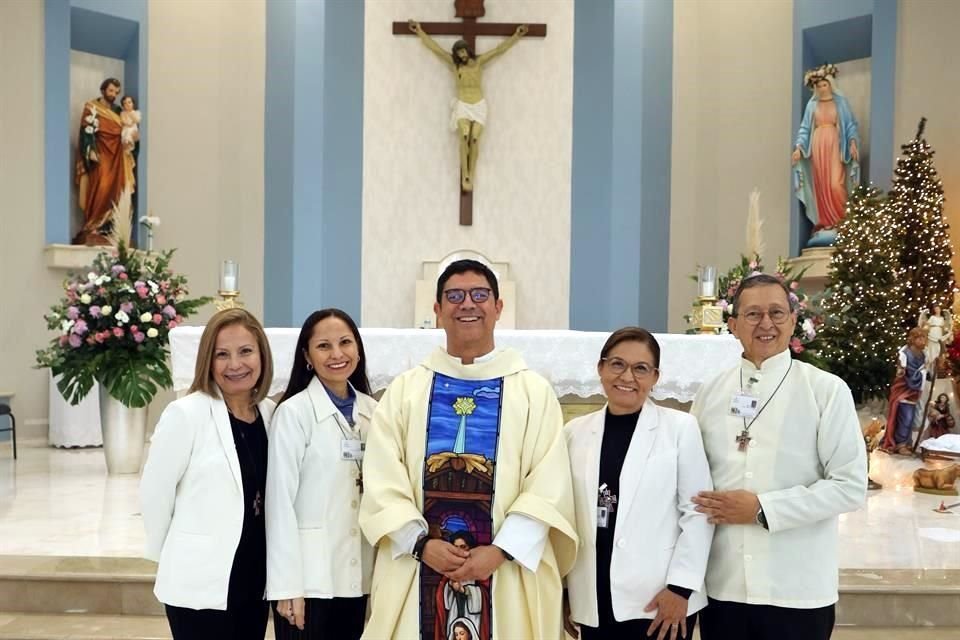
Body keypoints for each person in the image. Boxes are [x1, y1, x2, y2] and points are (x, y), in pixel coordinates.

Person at [358, 258, 578, 640]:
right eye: (454, 296)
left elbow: (548, 486)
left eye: (479, 295)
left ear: (498, 307)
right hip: (420, 565)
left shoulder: (531, 392)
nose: (467, 304)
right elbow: (381, 478)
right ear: (438, 310)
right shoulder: (407, 390)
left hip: (504, 570)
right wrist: (423, 544)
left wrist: (499, 552)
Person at [690, 273, 866, 640]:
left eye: (776, 313)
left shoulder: (826, 391)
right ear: (734, 325)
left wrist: (762, 509)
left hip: (796, 587)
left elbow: (849, 487)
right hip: (725, 586)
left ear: (793, 321)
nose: (766, 323)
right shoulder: (710, 392)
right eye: (753, 314)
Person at [564, 327, 713, 640]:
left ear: (655, 376)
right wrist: (567, 590)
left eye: (640, 368)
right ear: (601, 368)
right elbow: (567, 515)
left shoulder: (679, 429)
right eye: (617, 364)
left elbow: (698, 512)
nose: (627, 377)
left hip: (658, 600)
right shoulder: (574, 432)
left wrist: (681, 589)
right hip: (593, 593)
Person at [140, 308, 276, 639]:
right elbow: (154, 495)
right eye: (222, 355)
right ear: (207, 361)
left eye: (245, 351)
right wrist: (179, 557)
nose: (235, 365)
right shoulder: (186, 413)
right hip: (199, 583)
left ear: (262, 355)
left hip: (254, 577)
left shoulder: (271, 413)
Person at [265, 308, 377, 639]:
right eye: (324, 346)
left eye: (345, 342)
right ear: (307, 357)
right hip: (308, 579)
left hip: (357, 573)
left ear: (358, 348)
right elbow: (279, 503)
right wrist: (287, 585)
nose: (337, 354)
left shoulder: (374, 412)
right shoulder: (293, 414)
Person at [407, 20, 528, 192]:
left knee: (475, 139)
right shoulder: (455, 64)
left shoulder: (479, 62)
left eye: (463, 51)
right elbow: (435, 49)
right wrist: (419, 31)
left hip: (478, 104)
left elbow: (499, 50)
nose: (462, 55)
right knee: (464, 137)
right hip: (463, 104)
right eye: (458, 52)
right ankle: (465, 175)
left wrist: (517, 35)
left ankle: (472, 174)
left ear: (467, 50)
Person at [792, 63, 860, 236]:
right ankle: (825, 223)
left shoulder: (840, 102)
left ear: (830, 84)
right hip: (817, 145)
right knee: (821, 186)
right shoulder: (812, 105)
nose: (822, 88)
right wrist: (799, 147)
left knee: (835, 184)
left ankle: (842, 221)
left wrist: (852, 142)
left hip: (834, 145)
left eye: (824, 84)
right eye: (818, 85)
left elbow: (850, 124)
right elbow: (805, 128)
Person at [74, 77, 134, 245]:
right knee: (101, 185)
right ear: (103, 90)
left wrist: (131, 138)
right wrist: (90, 150)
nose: (113, 95)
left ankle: (110, 228)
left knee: (118, 189)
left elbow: (127, 130)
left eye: (116, 92)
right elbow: (85, 132)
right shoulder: (91, 107)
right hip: (100, 156)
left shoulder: (118, 111)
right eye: (111, 91)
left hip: (117, 156)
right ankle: (93, 224)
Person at [882, 327, 928, 455]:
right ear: (913, 339)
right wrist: (922, 373)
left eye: (924, 338)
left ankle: (906, 442)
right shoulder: (905, 353)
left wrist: (926, 372)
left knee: (911, 417)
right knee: (905, 417)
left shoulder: (923, 354)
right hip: (904, 389)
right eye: (920, 338)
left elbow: (922, 370)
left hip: (914, 391)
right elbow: (907, 373)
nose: (923, 341)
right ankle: (900, 443)